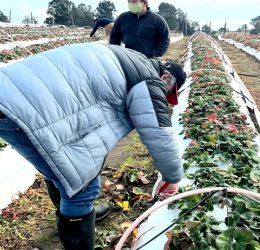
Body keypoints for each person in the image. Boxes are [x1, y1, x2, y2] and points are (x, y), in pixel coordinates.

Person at [0, 43, 186, 249]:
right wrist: (173, 178)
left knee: (63, 166)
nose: (165, 98)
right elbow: (158, 133)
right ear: (167, 78)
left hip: (15, 92)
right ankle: (76, 215)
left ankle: (75, 213)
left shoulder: (132, 58)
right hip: (23, 107)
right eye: (167, 93)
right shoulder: (150, 79)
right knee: (82, 188)